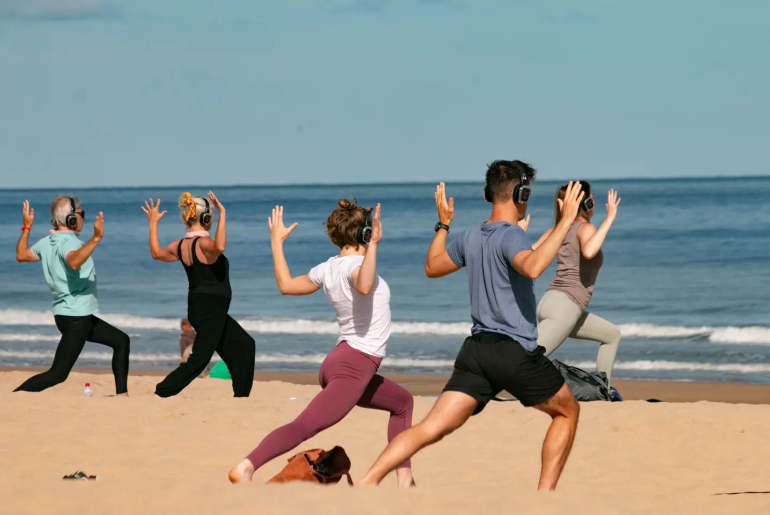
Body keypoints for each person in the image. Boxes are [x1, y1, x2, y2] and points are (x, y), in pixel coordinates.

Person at [359, 160, 586, 491]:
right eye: (528, 193)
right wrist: (566, 222)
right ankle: (544, 501)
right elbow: (534, 267)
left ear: (487, 194)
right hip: (513, 354)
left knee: (430, 428)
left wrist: (443, 224)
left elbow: (432, 266)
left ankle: (368, 482)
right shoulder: (513, 237)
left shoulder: (470, 236)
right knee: (568, 412)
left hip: (477, 354)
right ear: (522, 193)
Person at [229, 200, 415, 487]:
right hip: (353, 367)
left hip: (344, 364)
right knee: (303, 427)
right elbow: (363, 285)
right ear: (366, 233)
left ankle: (405, 481)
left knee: (403, 403)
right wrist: (375, 245)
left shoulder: (327, 269)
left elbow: (286, 285)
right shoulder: (356, 266)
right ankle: (246, 467)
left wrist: (276, 243)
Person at [142, 192, 255, 398]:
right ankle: (161, 392)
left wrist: (153, 223)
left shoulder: (181, 245)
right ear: (207, 218)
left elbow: (156, 253)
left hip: (205, 309)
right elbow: (219, 246)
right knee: (199, 360)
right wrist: (223, 214)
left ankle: (241, 397)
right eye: (211, 215)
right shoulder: (204, 244)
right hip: (210, 311)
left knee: (245, 345)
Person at [14, 197, 130, 395]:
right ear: (71, 219)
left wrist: (26, 228)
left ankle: (122, 394)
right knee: (58, 374)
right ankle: (16, 397)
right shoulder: (68, 243)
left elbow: (21, 255)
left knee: (121, 341)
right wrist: (95, 239)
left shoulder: (47, 242)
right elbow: (73, 261)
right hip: (76, 318)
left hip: (73, 315)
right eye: (81, 215)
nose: (84, 219)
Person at [533, 183, 622, 385]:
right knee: (529, 360)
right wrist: (609, 218)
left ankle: (603, 390)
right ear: (587, 203)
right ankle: (483, 390)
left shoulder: (557, 230)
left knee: (611, 335)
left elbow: (529, 253)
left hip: (552, 303)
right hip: (565, 307)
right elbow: (589, 251)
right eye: (592, 200)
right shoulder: (585, 228)